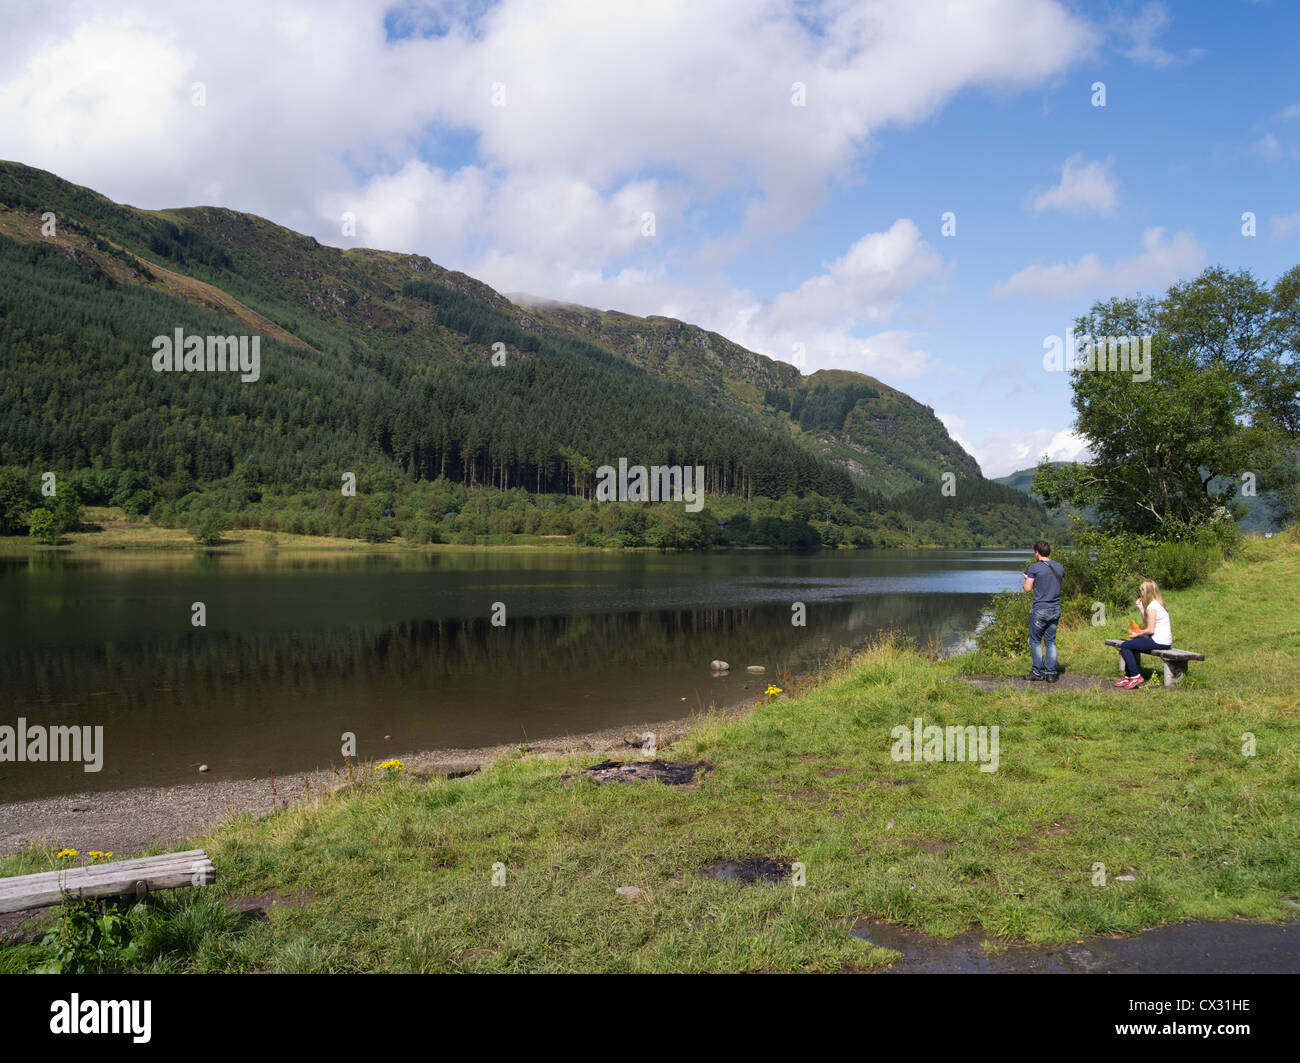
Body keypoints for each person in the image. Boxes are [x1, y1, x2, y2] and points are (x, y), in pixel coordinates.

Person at [1113, 580, 1172, 689]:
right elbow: (1149, 621)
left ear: (1149, 591)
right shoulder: (1158, 604)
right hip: (1163, 640)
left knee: (1126, 645)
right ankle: (1128, 676)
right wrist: (1141, 609)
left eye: (1143, 590)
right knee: (1132, 644)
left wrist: (1138, 633)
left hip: (1159, 641)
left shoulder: (1152, 607)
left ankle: (1135, 676)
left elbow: (1150, 629)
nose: (1141, 592)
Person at [1023, 539, 1064, 683]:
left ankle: (1037, 672)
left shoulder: (1034, 568)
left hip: (1040, 609)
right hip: (1055, 608)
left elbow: (1027, 588)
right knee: (1050, 641)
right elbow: (1060, 586)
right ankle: (1051, 673)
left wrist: (1027, 578)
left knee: (1034, 641)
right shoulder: (1059, 567)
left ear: (1037, 552)